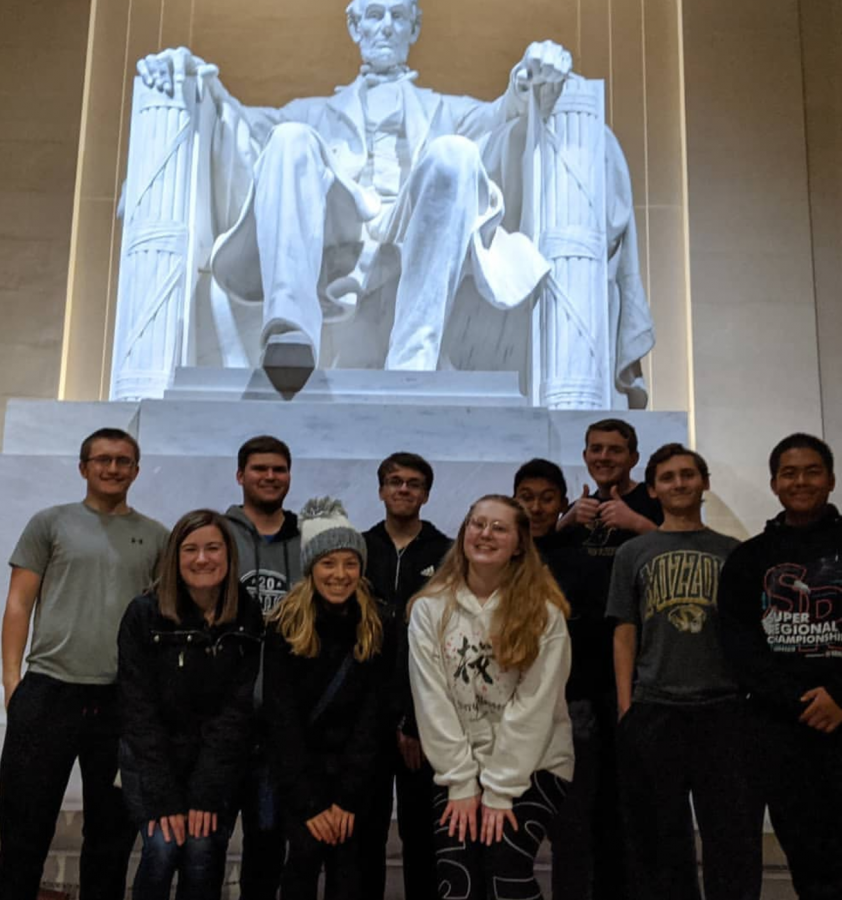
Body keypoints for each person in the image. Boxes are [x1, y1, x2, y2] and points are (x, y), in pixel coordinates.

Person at [135, 2, 653, 405]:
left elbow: (503, 120)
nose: (385, 26)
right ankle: (290, 332)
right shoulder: (310, 112)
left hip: (420, 229)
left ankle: (414, 361)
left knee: (453, 153)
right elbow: (242, 132)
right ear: (354, 26)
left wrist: (528, 78)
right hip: (339, 231)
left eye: (398, 15)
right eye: (373, 15)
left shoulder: (448, 111)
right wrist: (198, 84)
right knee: (288, 138)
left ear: (414, 27)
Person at [0, 427, 168, 900]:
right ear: (83, 467)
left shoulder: (156, 536)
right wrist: (13, 684)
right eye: (103, 460)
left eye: (123, 461)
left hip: (121, 700)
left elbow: (161, 619)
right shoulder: (49, 523)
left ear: (136, 470)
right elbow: (18, 605)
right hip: (48, 689)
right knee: (23, 824)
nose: (113, 469)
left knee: (111, 834)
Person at [607, 444, 762, 900]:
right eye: (668, 477)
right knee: (660, 842)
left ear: (704, 482)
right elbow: (624, 630)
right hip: (656, 708)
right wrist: (626, 706)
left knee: (732, 837)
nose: (679, 484)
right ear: (653, 489)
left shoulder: (734, 552)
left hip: (723, 709)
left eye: (688, 475)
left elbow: (748, 633)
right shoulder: (633, 553)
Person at [408, 494, 573, 900]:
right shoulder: (429, 609)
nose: (484, 534)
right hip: (458, 764)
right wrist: (463, 782)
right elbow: (433, 701)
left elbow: (535, 706)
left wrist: (499, 790)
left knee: (505, 874)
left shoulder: (544, 612)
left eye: (498, 527)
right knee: (458, 883)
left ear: (519, 543)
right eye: (477, 524)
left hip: (535, 764)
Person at [718, 433, 842, 900]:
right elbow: (738, 641)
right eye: (789, 473)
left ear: (830, 479)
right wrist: (797, 702)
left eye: (812, 470)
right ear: (774, 483)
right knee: (807, 857)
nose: (801, 480)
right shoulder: (749, 558)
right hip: (782, 730)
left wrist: (839, 697)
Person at [118, 509, 263, 900]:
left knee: (202, 850)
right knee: (163, 849)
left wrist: (205, 793)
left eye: (213, 548)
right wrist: (165, 796)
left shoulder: (248, 615)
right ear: (174, 557)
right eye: (191, 549)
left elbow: (236, 713)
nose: (203, 559)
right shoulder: (143, 614)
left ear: (229, 556)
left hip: (214, 761)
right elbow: (138, 709)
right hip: (152, 758)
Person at [548, 418, 663, 900]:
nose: (604, 457)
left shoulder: (650, 504)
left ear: (633, 457)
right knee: (581, 803)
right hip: (578, 679)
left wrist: (640, 526)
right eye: (596, 449)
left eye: (615, 450)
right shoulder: (578, 511)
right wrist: (563, 523)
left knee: (631, 800)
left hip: (639, 674)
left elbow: (684, 547)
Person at [263, 498, 392, 900]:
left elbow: (374, 719)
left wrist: (347, 800)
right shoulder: (284, 624)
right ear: (311, 567)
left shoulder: (379, 625)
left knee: (352, 875)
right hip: (302, 778)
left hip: (358, 782)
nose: (340, 574)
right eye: (328, 563)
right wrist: (311, 804)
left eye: (350, 563)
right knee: (300, 866)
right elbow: (281, 719)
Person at [362, 451, 451, 900]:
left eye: (413, 483)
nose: (403, 489)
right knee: (365, 835)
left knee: (422, 835)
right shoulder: (357, 550)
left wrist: (414, 722)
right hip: (364, 717)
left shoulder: (448, 553)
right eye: (394, 481)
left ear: (426, 494)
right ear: (380, 490)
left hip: (425, 715)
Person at [225, 434, 302, 900]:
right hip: (221, 716)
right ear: (240, 476)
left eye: (279, 469)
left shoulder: (308, 540)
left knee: (268, 843)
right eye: (260, 469)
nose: (270, 477)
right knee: (204, 843)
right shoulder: (216, 535)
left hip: (280, 719)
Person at [512, 457, 569, 552]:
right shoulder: (500, 552)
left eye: (547, 499)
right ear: (513, 502)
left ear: (563, 505)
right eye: (527, 498)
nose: (536, 509)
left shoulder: (576, 555)